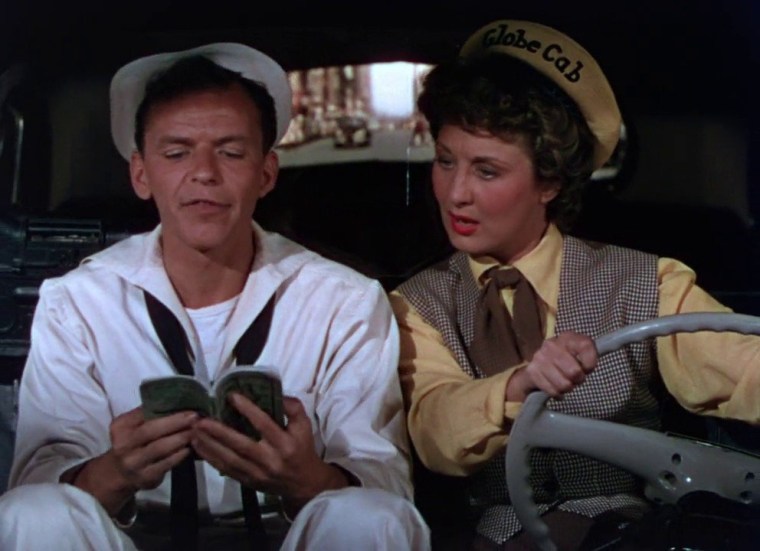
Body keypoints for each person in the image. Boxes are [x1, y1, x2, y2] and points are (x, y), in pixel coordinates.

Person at [0, 42, 430, 550]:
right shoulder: (79, 301)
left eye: (230, 152)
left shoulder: (343, 301)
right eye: (176, 153)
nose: (204, 172)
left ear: (266, 173)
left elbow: (384, 484)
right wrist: (118, 471)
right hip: (127, 536)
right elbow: (39, 478)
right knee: (31, 512)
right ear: (141, 174)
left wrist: (304, 478)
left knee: (373, 517)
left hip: (292, 535)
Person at [389, 19, 760, 551]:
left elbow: (743, 367)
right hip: (490, 537)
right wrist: (518, 386)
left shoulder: (644, 282)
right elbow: (434, 430)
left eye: (487, 171)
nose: (455, 194)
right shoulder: (415, 304)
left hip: (632, 532)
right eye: (446, 162)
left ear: (550, 182)